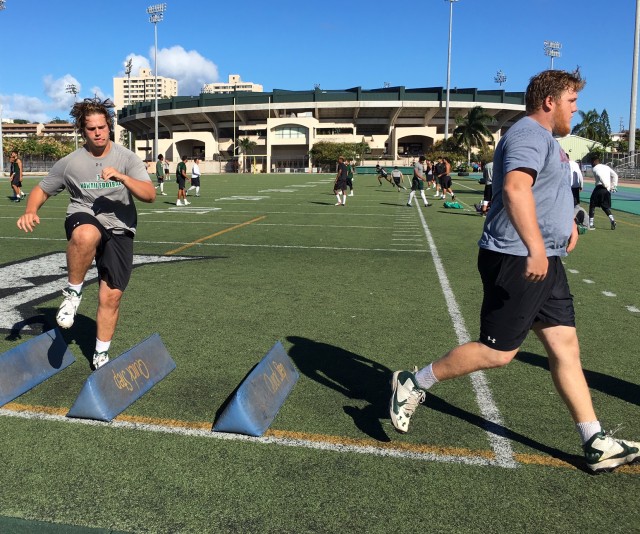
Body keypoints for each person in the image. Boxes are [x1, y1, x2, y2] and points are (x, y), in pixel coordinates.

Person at [389, 70, 640, 473]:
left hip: (545, 259)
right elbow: (515, 190)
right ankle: (414, 383)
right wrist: (537, 249)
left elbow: (545, 191)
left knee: (564, 347)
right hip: (518, 258)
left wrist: (568, 222)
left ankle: (594, 440)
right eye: (571, 101)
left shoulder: (548, 142)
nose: (576, 108)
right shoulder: (528, 134)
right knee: (498, 353)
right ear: (549, 102)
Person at [16, 97, 156, 370]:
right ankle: (73, 294)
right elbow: (41, 189)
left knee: (111, 297)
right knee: (86, 235)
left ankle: (100, 355)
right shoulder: (70, 163)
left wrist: (124, 178)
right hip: (85, 216)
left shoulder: (127, 158)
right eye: (91, 129)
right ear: (83, 132)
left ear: (109, 127)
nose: (98, 132)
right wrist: (31, 210)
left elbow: (149, 195)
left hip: (120, 228)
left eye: (102, 127)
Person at [588, 156, 618, 230]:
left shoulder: (595, 168)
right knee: (605, 206)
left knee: (592, 205)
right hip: (606, 190)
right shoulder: (606, 167)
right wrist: (613, 186)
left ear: (595, 161)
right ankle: (612, 220)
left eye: (591, 162)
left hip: (600, 188)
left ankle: (591, 224)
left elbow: (599, 175)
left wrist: (605, 184)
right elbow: (615, 175)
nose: (591, 164)